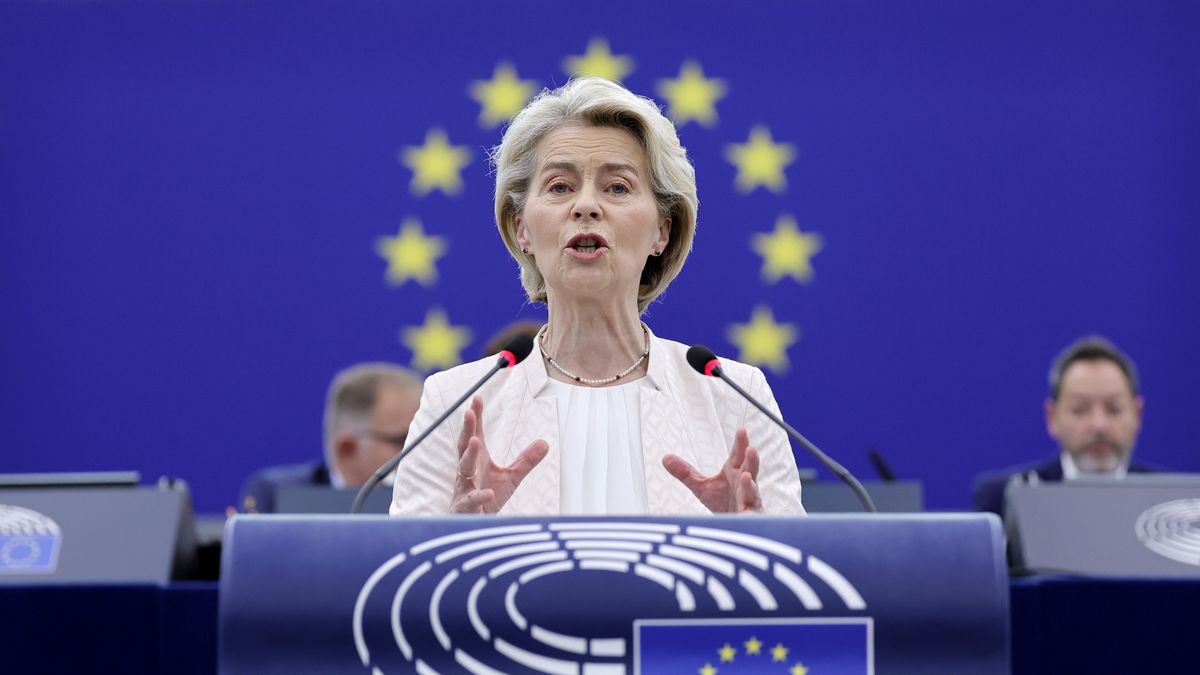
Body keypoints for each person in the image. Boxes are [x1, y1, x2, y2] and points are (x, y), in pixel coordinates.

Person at [391, 77, 805, 516]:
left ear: (662, 231)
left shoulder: (733, 397)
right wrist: (456, 541)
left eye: (618, 187)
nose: (586, 206)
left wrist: (749, 542)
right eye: (560, 187)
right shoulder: (454, 403)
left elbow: (795, 579)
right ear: (522, 228)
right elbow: (400, 580)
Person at [972, 336, 1157, 517]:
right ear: (1052, 417)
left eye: (1114, 409)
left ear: (1137, 415)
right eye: (1079, 409)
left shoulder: (1170, 499)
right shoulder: (1004, 498)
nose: (1099, 425)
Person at [240, 363, 422, 512]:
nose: (422, 453)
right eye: (404, 441)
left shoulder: (433, 500)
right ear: (347, 449)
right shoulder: (275, 496)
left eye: (425, 440)